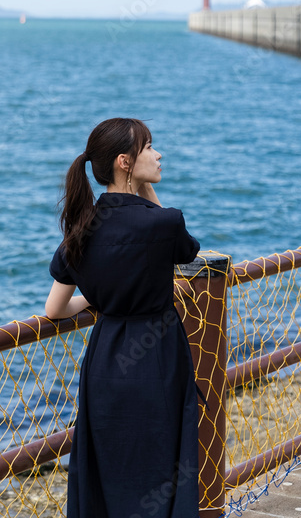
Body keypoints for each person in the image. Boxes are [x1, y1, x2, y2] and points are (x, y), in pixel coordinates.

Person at [45, 117, 203, 518]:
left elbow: (54, 310)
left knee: (106, 470)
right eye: (149, 147)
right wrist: (148, 194)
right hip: (159, 358)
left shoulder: (80, 231)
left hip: (105, 361)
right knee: (164, 464)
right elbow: (186, 251)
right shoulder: (164, 222)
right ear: (124, 162)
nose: (158, 153)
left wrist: (96, 301)